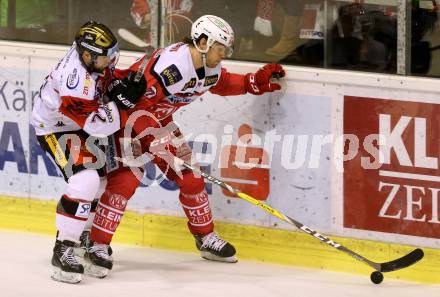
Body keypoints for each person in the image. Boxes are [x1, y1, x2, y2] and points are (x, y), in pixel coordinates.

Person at [82, 15, 286, 277]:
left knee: (190, 177)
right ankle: (97, 245)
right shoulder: (173, 67)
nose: (222, 55)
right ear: (202, 42)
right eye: (219, 49)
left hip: (159, 122)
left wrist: (251, 83)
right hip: (125, 121)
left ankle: (205, 238)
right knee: (126, 181)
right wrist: (150, 137)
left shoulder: (206, 63)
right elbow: (133, 103)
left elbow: (220, 83)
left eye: (225, 50)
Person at [31, 21, 146, 284]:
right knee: (85, 181)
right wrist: (122, 102)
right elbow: (97, 125)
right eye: (107, 57)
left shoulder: (90, 58)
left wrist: (117, 86)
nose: (111, 60)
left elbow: (102, 84)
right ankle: (63, 249)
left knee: (102, 180)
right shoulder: (74, 81)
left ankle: (83, 234)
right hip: (55, 128)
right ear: (86, 55)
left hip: (77, 124)